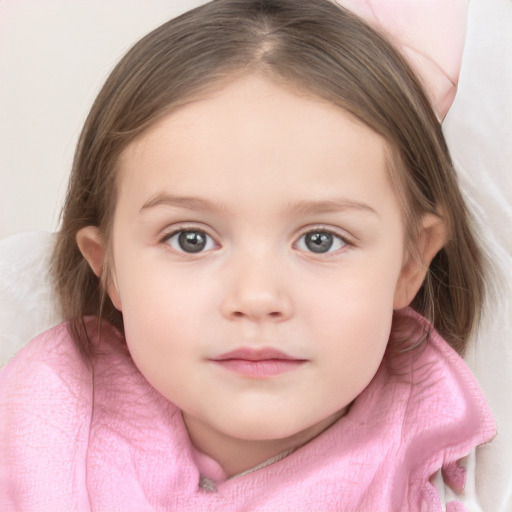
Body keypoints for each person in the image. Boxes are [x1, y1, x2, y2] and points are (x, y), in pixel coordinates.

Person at [0, 0, 496, 510]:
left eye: (320, 240)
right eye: (190, 238)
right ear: (109, 267)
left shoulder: (459, 473)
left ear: (411, 263)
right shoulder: (35, 426)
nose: (256, 298)